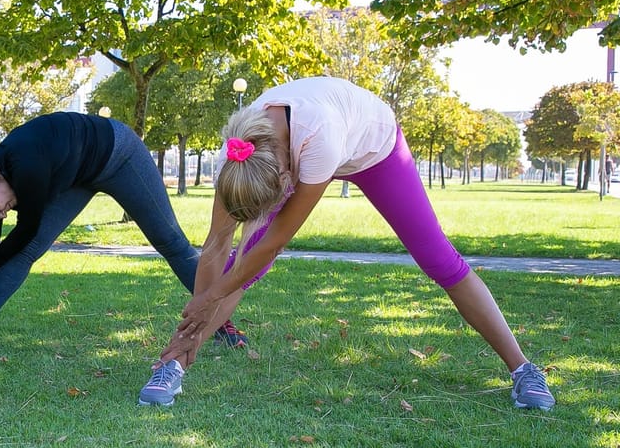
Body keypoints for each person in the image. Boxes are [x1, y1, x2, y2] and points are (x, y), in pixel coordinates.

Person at [142, 77, 555, 410]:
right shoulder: (238, 158)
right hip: (292, 148)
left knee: (437, 257)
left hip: (375, 148)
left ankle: (524, 369)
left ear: (285, 172)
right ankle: (173, 365)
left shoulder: (319, 140)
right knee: (237, 259)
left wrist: (209, 296)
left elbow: (272, 244)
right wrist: (191, 326)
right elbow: (215, 246)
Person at [0, 112, 246, 359]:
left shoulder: (26, 166)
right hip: (77, 174)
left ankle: (220, 317)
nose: (1, 217)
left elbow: (25, 231)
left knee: (170, 242)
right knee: (26, 253)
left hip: (118, 154)